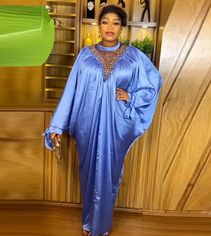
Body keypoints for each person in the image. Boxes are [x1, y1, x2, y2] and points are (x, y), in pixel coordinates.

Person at [45, 3, 162, 236]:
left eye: (116, 23)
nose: (110, 27)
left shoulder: (134, 57)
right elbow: (71, 90)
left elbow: (153, 84)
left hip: (117, 126)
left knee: (110, 173)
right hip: (86, 125)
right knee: (88, 172)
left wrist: (132, 96)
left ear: (122, 28)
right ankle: (90, 223)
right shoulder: (85, 56)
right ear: (98, 25)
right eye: (105, 22)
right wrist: (57, 125)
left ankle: (101, 226)